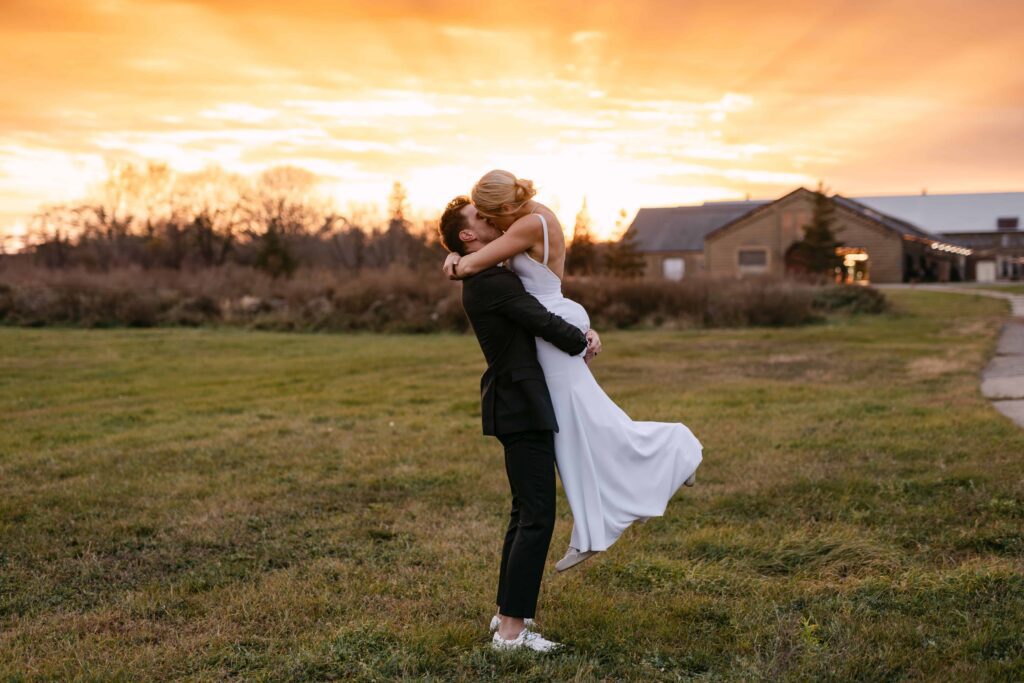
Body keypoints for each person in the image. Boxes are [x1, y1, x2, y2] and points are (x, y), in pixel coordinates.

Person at [443, 170, 702, 572]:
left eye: (490, 215)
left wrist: (455, 260)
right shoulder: (525, 218)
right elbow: (483, 262)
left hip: (550, 323)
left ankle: (674, 447)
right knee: (578, 422)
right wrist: (459, 254)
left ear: (506, 207)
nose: (490, 223)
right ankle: (594, 526)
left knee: (583, 421)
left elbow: (473, 264)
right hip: (548, 322)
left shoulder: (530, 223)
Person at [437, 196, 601, 652]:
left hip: (516, 398)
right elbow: (539, 320)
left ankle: (506, 616)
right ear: (469, 236)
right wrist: (582, 338)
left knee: (523, 512)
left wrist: (454, 262)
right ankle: (512, 633)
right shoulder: (489, 280)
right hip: (521, 400)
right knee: (537, 516)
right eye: (480, 218)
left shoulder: (484, 270)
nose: (491, 220)